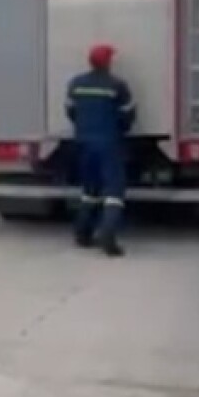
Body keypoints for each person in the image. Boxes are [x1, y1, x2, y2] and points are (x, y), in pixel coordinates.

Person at [65, 44, 136, 257]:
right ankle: (108, 235)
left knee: (90, 189)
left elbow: (71, 111)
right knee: (114, 190)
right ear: (107, 62)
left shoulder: (76, 84)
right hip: (109, 143)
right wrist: (119, 131)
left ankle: (82, 233)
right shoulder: (117, 86)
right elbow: (128, 115)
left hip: (83, 143)